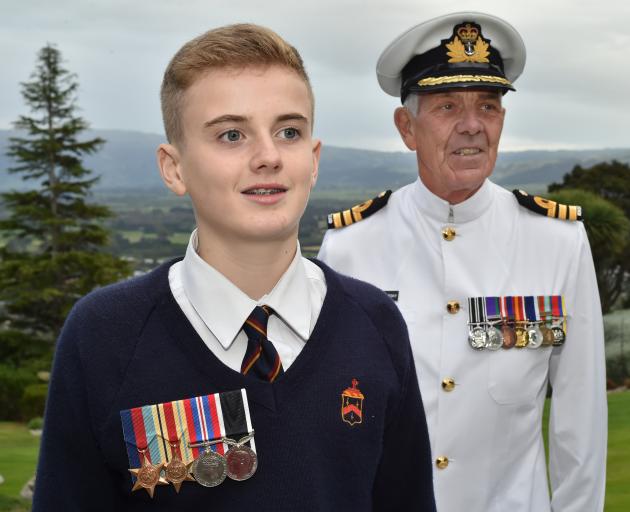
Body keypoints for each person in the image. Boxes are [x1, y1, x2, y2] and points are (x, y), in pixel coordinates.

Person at [33, 24, 436, 511]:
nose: (267, 156)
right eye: (231, 134)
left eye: (289, 131)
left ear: (313, 160)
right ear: (174, 168)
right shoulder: (104, 335)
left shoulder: (374, 323)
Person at [319, 11, 607, 512]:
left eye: (489, 107)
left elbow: (580, 425)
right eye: (447, 106)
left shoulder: (558, 242)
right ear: (406, 127)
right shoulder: (350, 249)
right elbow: (329, 421)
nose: (472, 126)